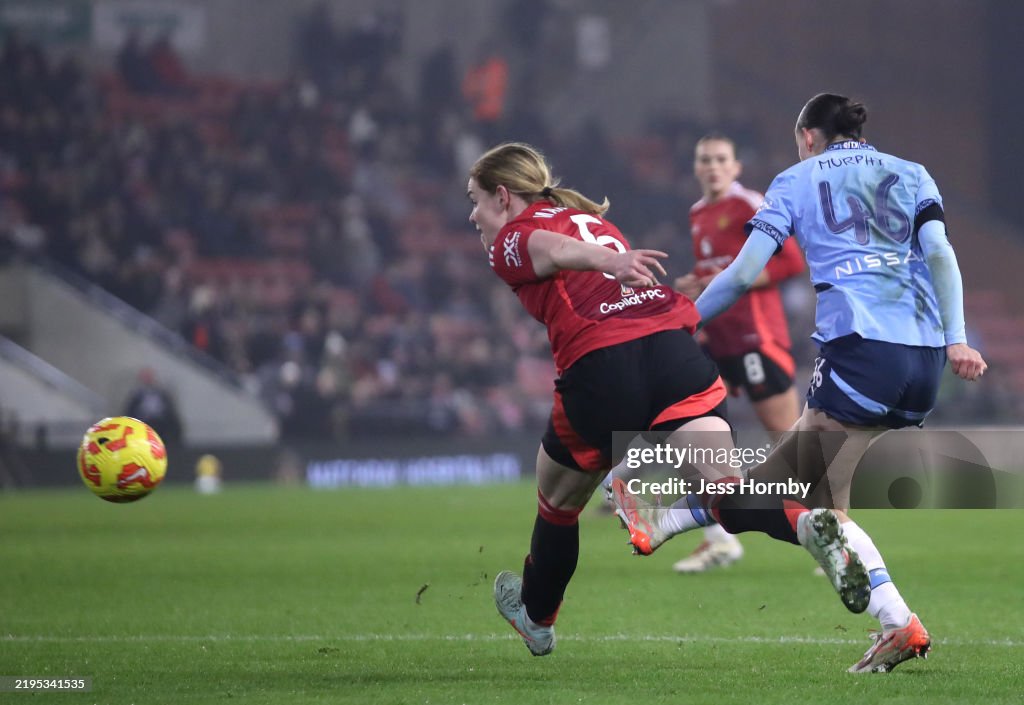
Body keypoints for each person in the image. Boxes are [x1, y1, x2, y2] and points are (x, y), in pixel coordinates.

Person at [620, 94, 987, 673]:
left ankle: (661, 518)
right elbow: (940, 252)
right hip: (923, 364)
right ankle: (899, 627)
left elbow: (743, 274)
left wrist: (682, 322)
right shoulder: (914, 173)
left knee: (769, 498)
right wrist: (958, 338)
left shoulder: (795, 179)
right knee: (820, 504)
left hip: (862, 350)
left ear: (808, 135)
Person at [470, 142, 871, 658]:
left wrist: (607, 262)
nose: (473, 214)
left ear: (503, 196)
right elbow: (570, 249)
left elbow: (549, 248)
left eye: (475, 199)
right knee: (725, 488)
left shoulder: (512, 236)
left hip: (604, 365)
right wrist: (613, 258)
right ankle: (806, 525)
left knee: (558, 502)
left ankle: (537, 617)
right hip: (673, 349)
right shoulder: (584, 215)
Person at [671, 133, 805, 573]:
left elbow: (789, 262)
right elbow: (712, 272)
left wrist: (732, 278)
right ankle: (720, 540)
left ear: (735, 167)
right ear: (695, 167)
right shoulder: (697, 214)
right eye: (704, 159)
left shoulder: (749, 204)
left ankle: (837, 533)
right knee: (690, 434)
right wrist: (696, 285)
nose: (712, 166)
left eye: (720, 159)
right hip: (717, 342)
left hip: (756, 339)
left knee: (790, 443)